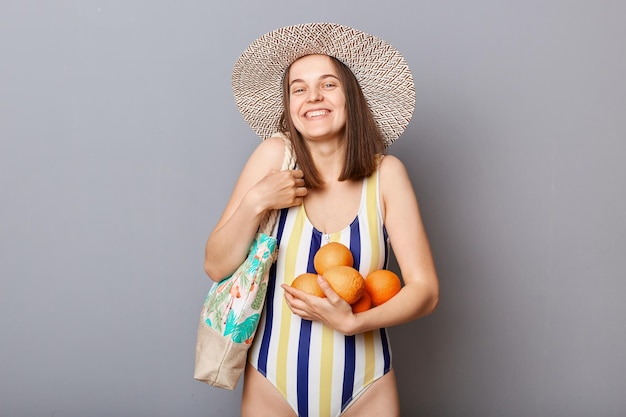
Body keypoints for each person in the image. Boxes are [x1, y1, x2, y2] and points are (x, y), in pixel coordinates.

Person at [204, 23, 439, 417]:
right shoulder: (272, 158)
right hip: (271, 381)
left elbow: (426, 291)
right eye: (298, 88)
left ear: (352, 97)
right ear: (289, 105)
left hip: (367, 383)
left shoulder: (387, 175)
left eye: (328, 84)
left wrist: (353, 325)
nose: (312, 96)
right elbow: (215, 265)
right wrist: (255, 201)